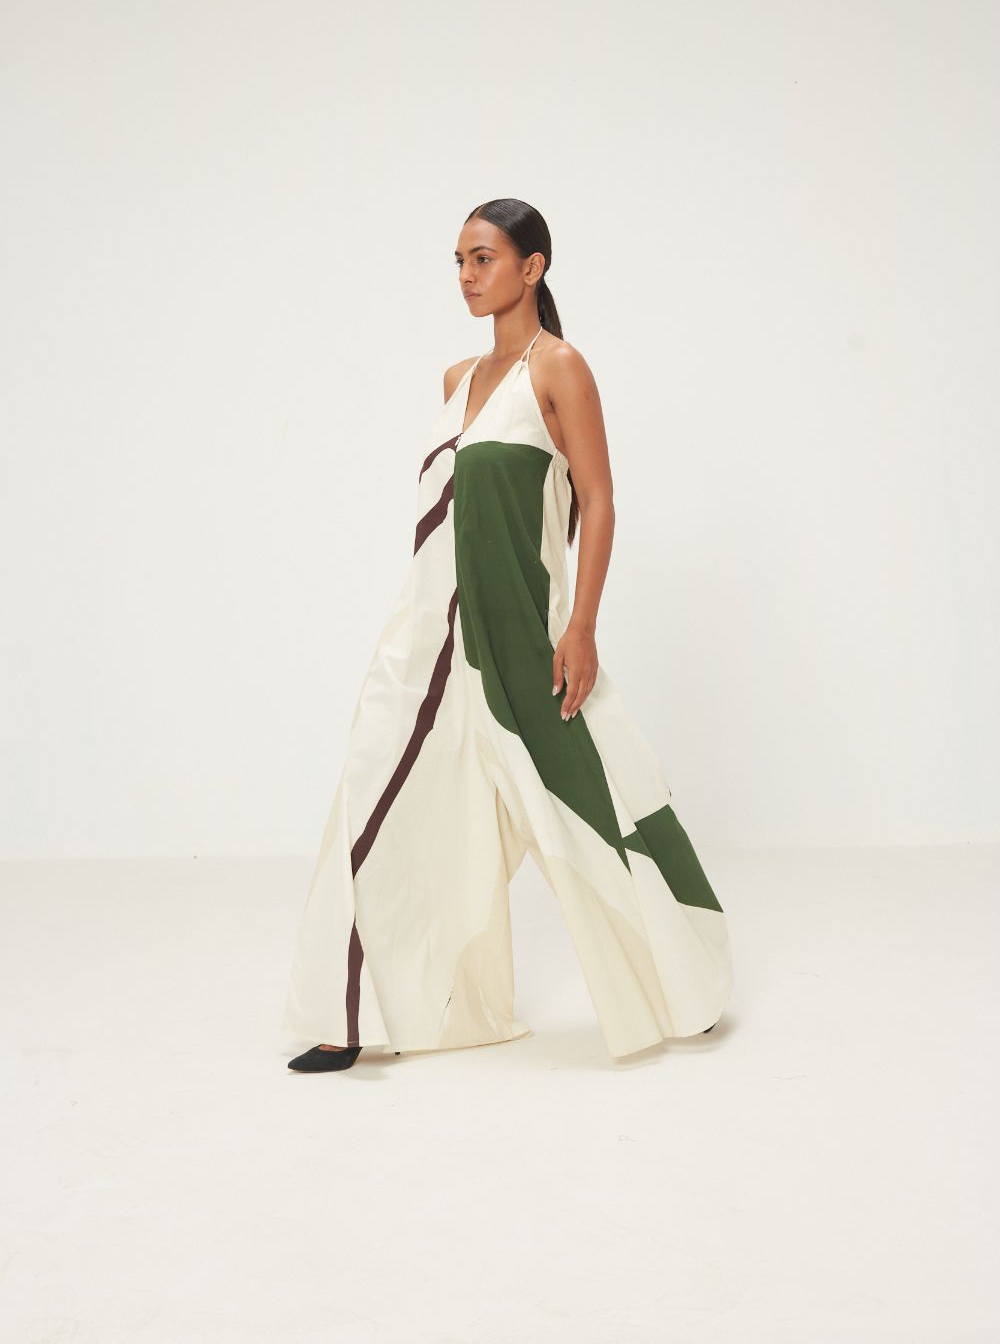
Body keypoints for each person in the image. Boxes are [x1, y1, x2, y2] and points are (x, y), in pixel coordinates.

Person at [283, 196, 732, 1072]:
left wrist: (581, 626)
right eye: (458, 261)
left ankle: (686, 977)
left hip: (517, 635)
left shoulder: (558, 368)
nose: (466, 276)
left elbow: (597, 499)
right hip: (424, 637)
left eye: (483, 258)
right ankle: (349, 1015)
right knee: (371, 791)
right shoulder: (456, 379)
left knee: (594, 799)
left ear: (532, 268)